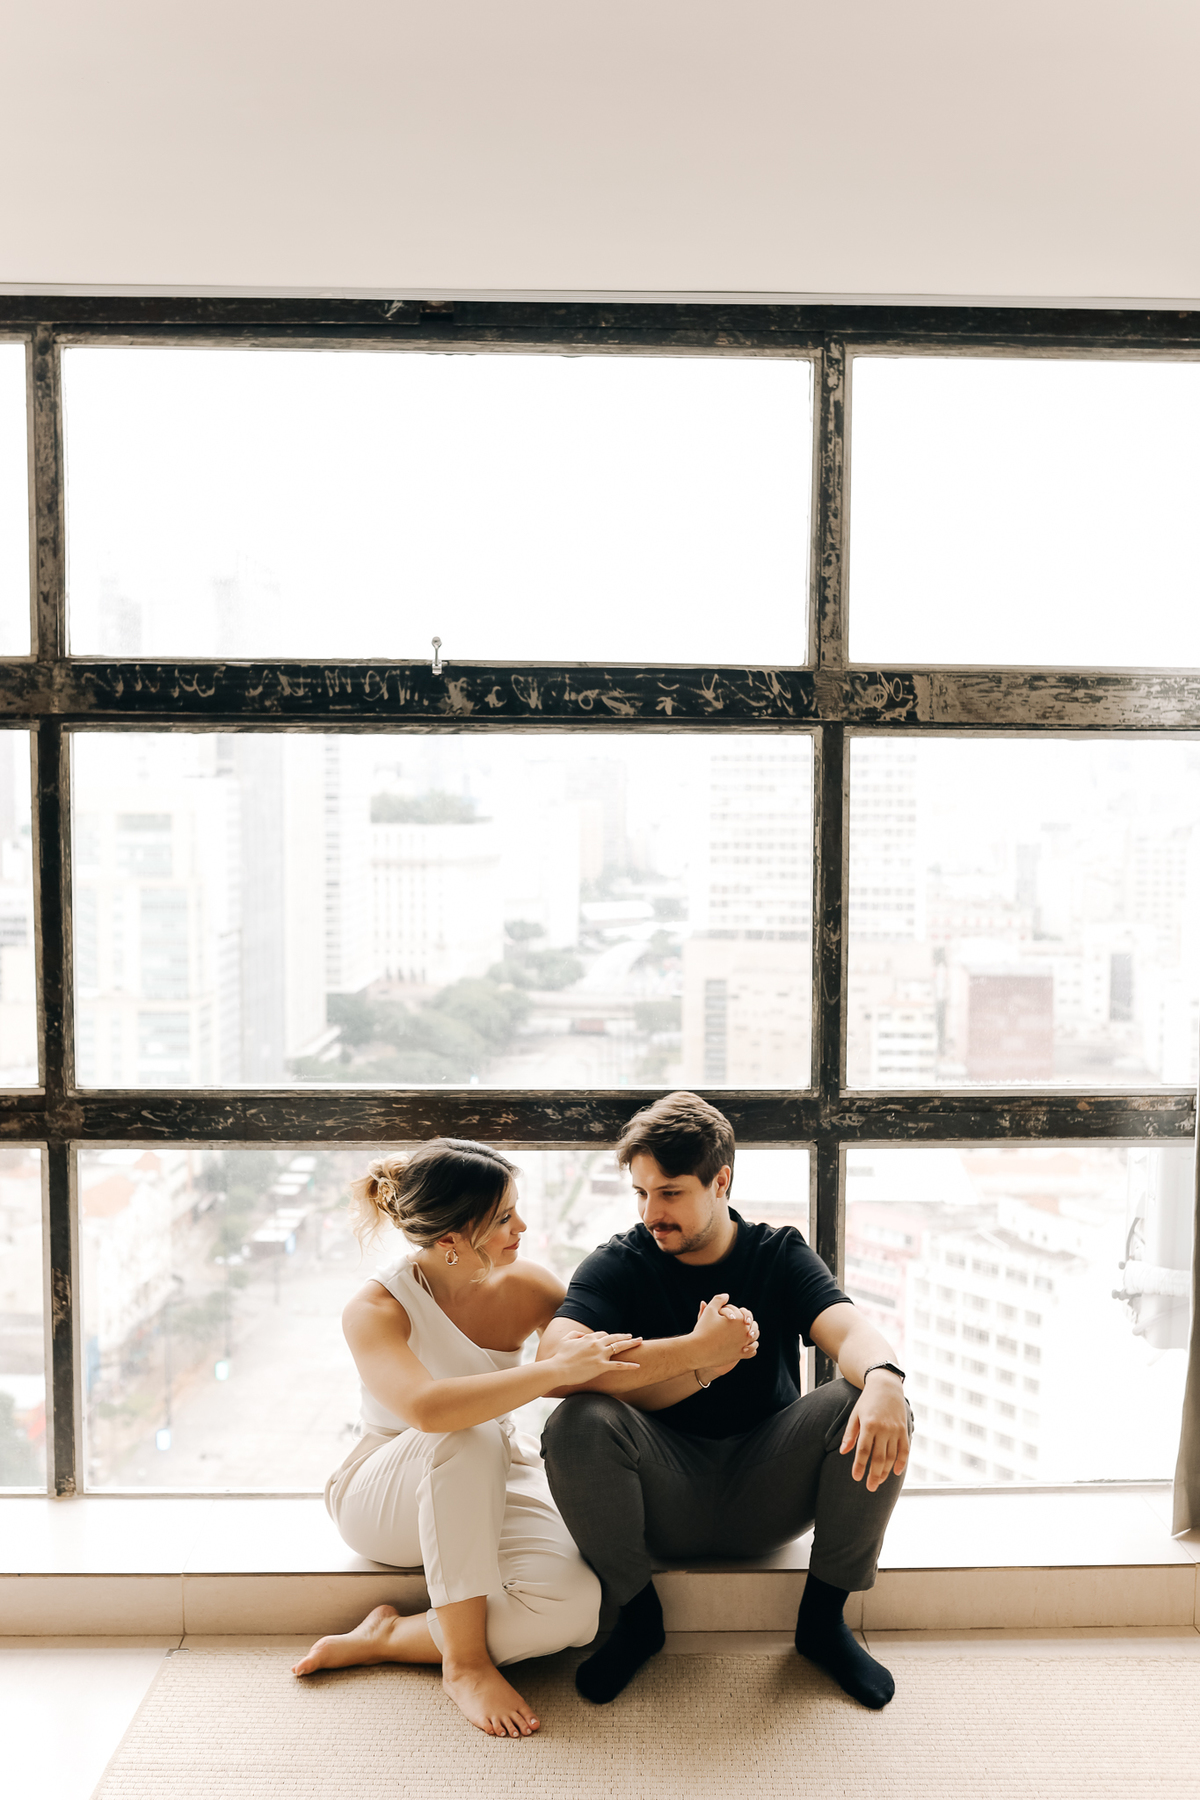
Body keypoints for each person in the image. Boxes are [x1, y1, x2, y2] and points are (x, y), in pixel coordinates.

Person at [536, 1091, 915, 1711]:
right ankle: (637, 1618)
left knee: (868, 1397)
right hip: (659, 1493)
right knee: (577, 1419)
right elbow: (554, 1363)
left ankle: (823, 1622)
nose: (652, 1212)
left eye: (671, 1192)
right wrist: (696, 1353)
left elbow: (846, 1329)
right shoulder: (620, 1261)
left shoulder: (776, 1253)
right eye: (641, 1193)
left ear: (722, 1182)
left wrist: (886, 1379)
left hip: (767, 1486)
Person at [293, 1139, 641, 1738]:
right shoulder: (376, 1308)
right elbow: (428, 1409)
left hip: (490, 1469)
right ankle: (465, 1663)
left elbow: (598, 1353)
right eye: (504, 1217)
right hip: (385, 1496)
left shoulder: (527, 1286)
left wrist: (700, 1352)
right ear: (450, 1241)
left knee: (575, 1610)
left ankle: (391, 1636)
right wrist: (554, 1372)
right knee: (467, 1430)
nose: (522, 1227)